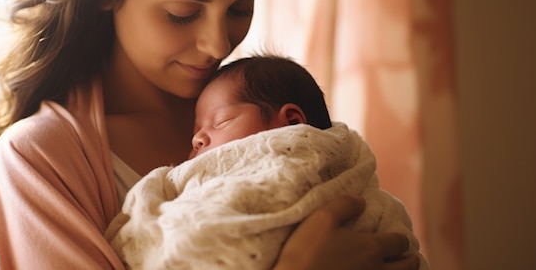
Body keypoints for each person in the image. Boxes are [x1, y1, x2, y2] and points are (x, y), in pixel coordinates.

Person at [0, 0, 421, 269]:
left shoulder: (260, 114)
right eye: (182, 13)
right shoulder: (41, 160)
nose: (219, 46)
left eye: (241, 8)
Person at [105, 55, 429, 270]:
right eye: (196, 130)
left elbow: (194, 241)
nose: (197, 140)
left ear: (289, 124)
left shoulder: (287, 162)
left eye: (219, 122)